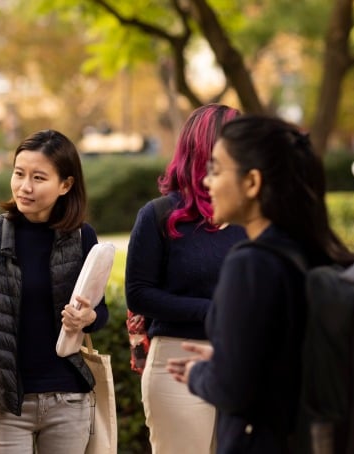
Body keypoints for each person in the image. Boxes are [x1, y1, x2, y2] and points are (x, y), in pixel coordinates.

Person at [166, 115, 354, 453]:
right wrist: (231, 355)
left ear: (252, 182)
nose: (207, 182)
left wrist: (200, 373)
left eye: (217, 170)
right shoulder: (313, 250)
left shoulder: (252, 263)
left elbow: (232, 389)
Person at [0, 129, 109, 453]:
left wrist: (86, 318)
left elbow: (100, 314)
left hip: (68, 398)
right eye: (19, 173)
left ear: (65, 185)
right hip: (4, 404)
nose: (25, 187)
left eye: (39, 177)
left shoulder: (82, 238)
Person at [125, 103, 245, 454]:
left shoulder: (249, 214)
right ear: (208, 149)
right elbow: (138, 294)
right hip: (178, 366)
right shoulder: (159, 215)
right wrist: (210, 311)